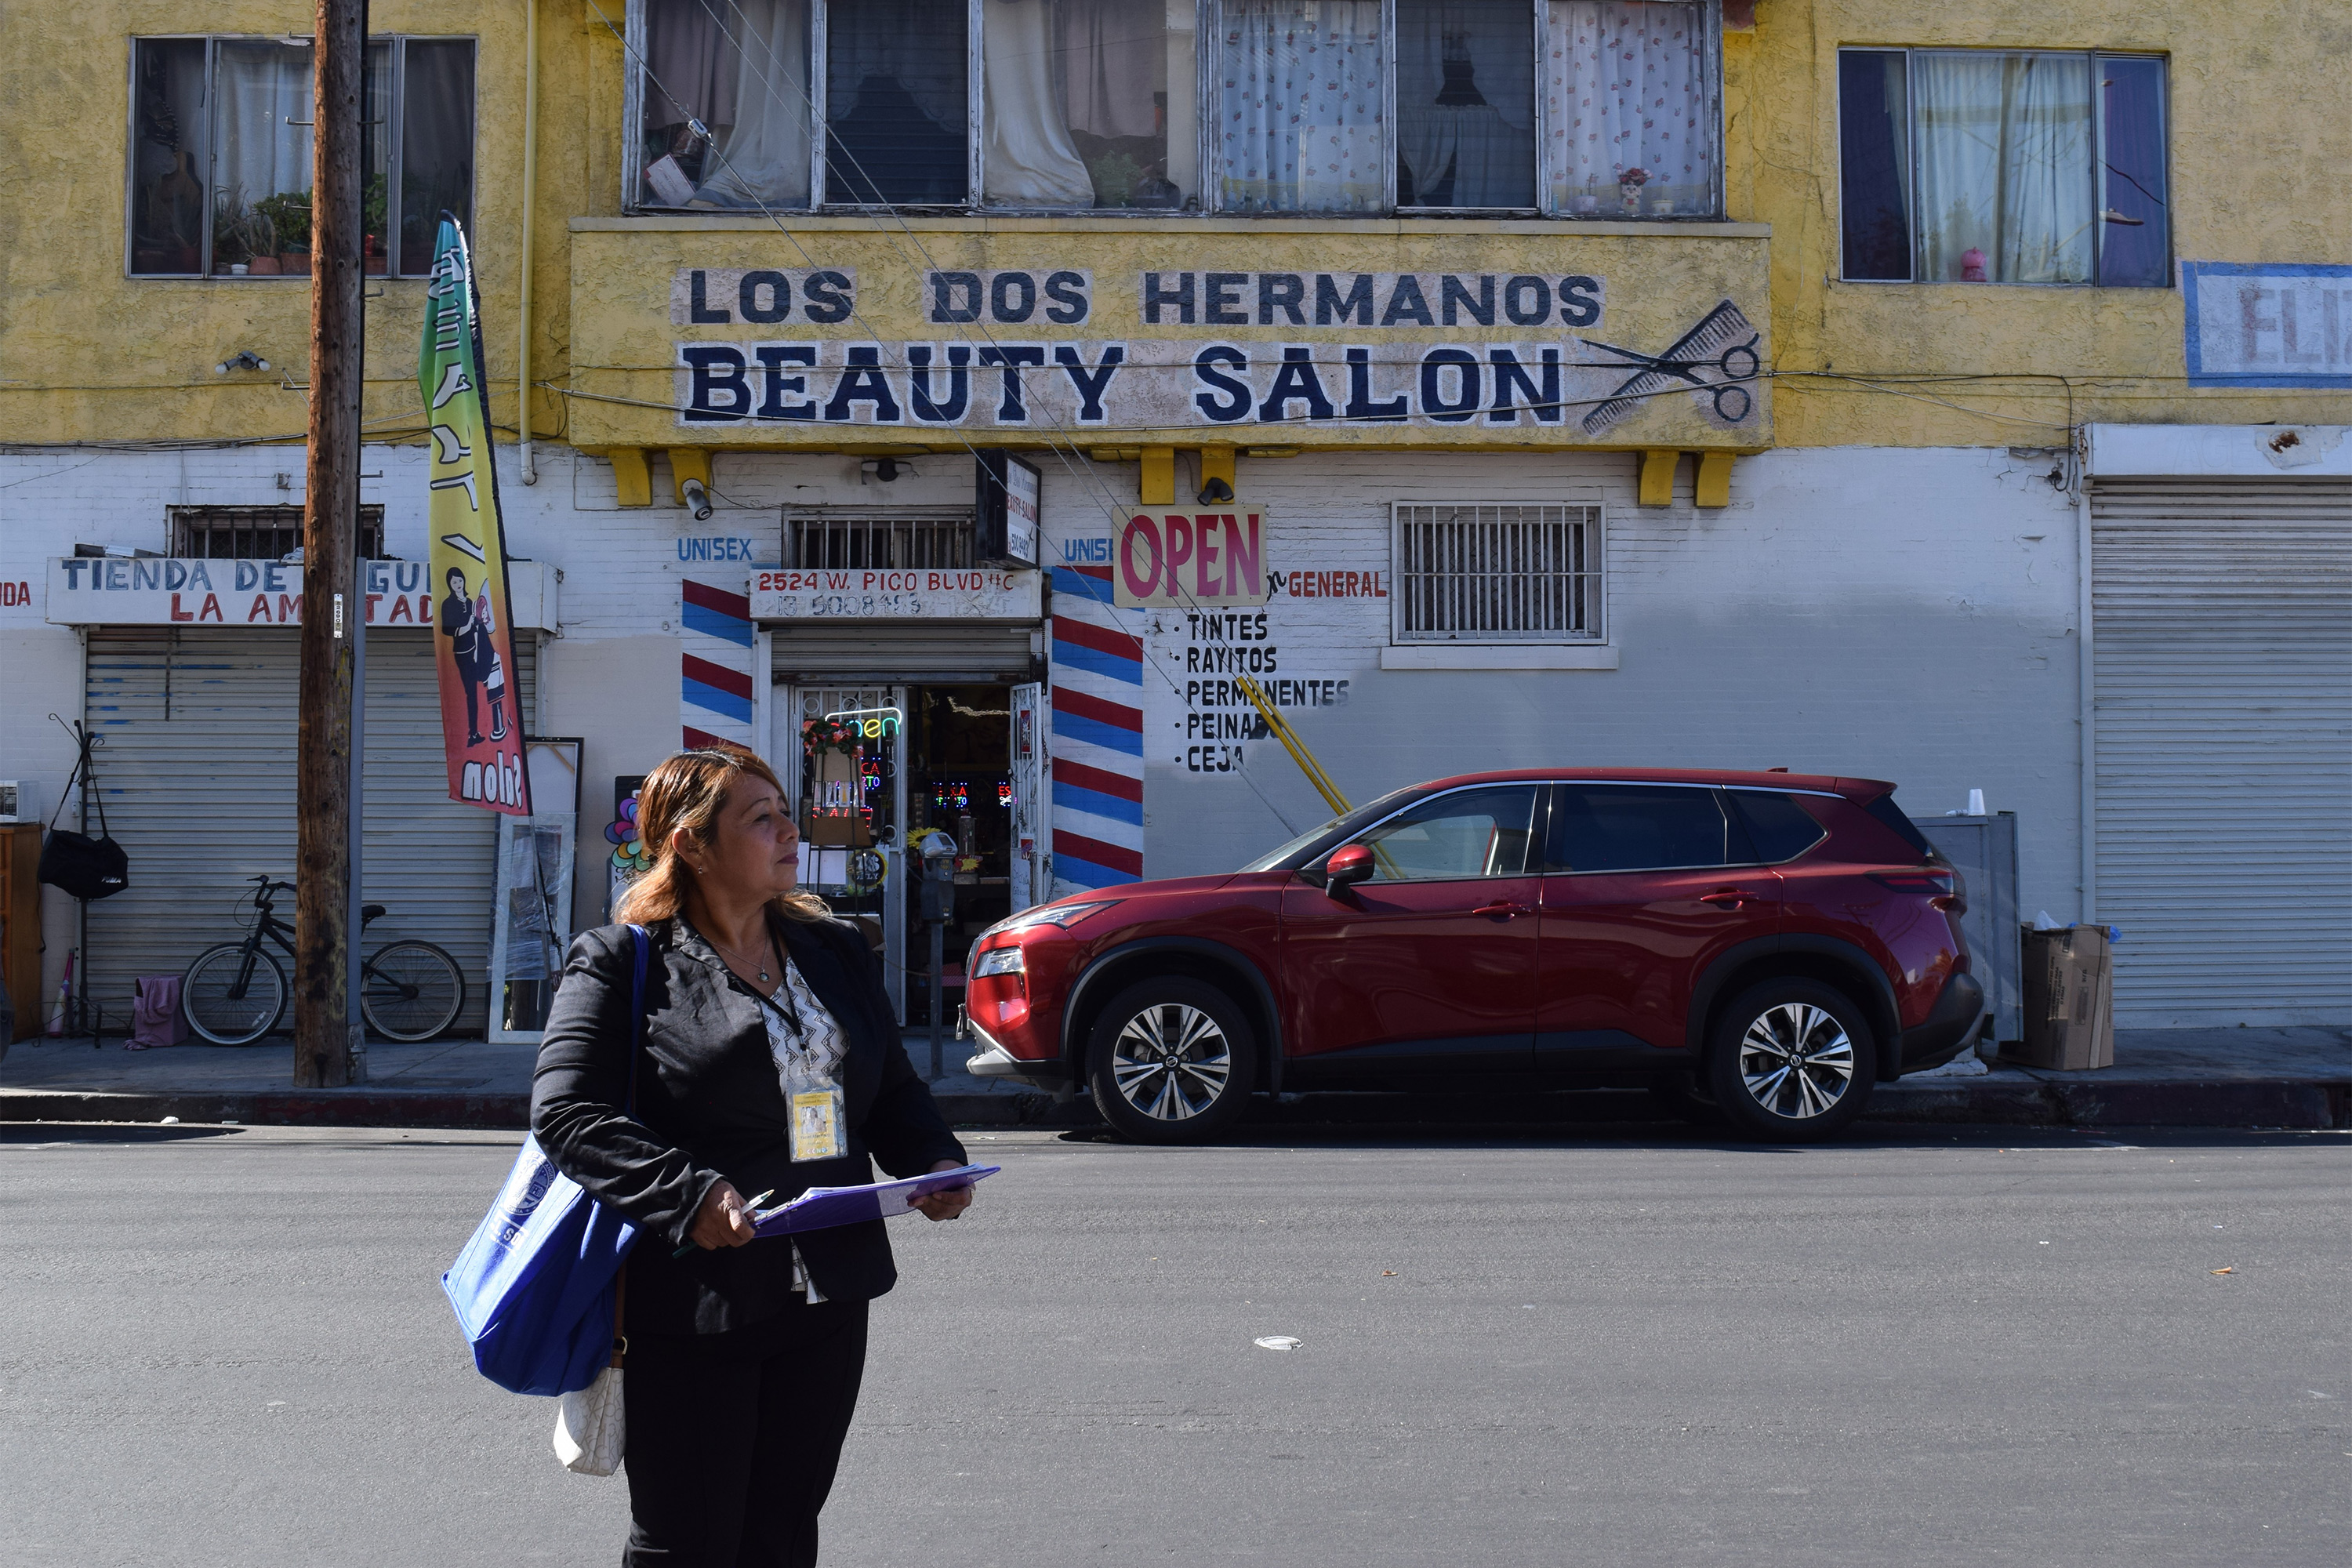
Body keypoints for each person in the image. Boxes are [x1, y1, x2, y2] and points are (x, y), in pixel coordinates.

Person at [533, 743, 974, 1566]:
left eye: (786, 811)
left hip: (829, 1295)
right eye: (760, 817)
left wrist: (934, 1158)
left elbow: (889, 1085)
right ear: (692, 844)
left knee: (783, 1529)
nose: (788, 830)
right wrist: (691, 1194)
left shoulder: (833, 949)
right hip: (696, 1302)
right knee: (687, 1541)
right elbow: (566, 1111)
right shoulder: (624, 962)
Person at [438, 565, 506, 744]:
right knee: (471, 693)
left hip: (477, 649)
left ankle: (482, 729)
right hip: (464, 653)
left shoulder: (470, 603)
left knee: (484, 684)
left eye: (460, 580)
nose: (458, 584)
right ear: (449, 584)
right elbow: (446, 629)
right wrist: (466, 626)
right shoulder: (448, 604)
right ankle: (472, 733)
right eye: (454, 582)